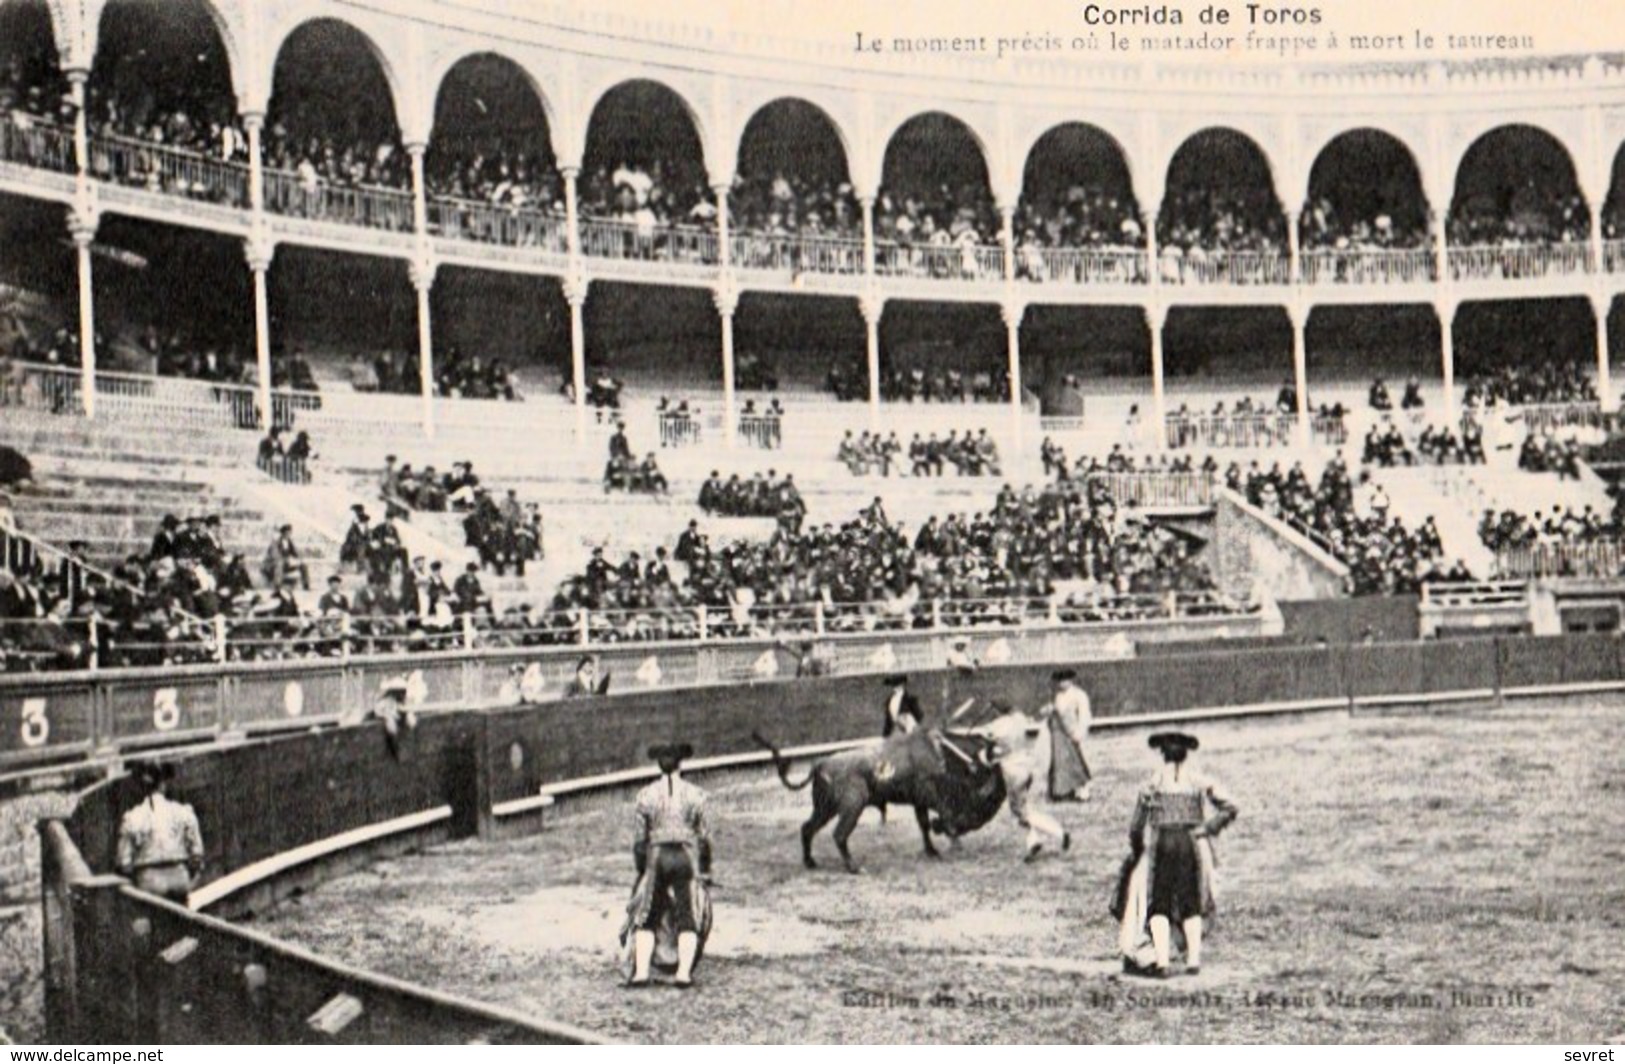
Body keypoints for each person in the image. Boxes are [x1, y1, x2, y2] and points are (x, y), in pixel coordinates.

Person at [1116, 731, 1238, 978]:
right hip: (1189, 842)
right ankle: (1193, 960)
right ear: (1186, 755)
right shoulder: (1197, 780)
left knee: (1159, 902)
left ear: (1162, 755)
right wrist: (1208, 828)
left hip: (1161, 843)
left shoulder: (1153, 783)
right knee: (1190, 901)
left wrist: (1138, 850)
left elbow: (1136, 826)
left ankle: (1162, 962)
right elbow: (1230, 807)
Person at [621, 742, 713, 989]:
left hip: (657, 856)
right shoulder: (697, 795)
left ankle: (641, 973)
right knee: (687, 915)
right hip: (684, 857)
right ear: (681, 762)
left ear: (658, 764)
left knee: (646, 916)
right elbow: (703, 839)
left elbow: (640, 841)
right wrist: (704, 870)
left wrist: (642, 872)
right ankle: (683, 974)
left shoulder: (645, 795)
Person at [973, 699, 1070, 863]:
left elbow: (989, 748)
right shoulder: (1018, 718)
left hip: (1012, 772)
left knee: (1022, 812)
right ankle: (1034, 843)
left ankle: (1059, 833)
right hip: (1026, 765)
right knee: (1023, 809)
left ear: (997, 712)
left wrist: (984, 756)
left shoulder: (996, 725)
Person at [115, 762, 204, 903]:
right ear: (163, 785)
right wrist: (190, 880)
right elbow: (197, 854)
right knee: (181, 922)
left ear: (140, 787)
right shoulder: (184, 812)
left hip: (149, 882)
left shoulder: (131, 818)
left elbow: (124, 863)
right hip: (179, 879)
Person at [1043, 669, 1093, 801]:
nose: (1061, 683)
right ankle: (1063, 791)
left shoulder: (1079, 695)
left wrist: (1080, 732)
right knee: (1061, 762)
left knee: (1077, 761)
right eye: (1059, 680)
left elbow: (1084, 715)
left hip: (1074, 732)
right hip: (1060, 735)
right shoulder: (1058, 696)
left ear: (1071, 680)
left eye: (1065, 680)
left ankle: (1082, 790)